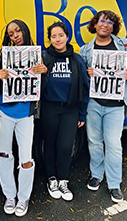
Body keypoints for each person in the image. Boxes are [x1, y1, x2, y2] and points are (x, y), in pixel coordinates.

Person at [79, 10, 127, 203]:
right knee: (94, 142)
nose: (105, 24)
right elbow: (81, 78)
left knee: (114, 145)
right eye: (102, 21)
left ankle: (114, 184)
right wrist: (87, 74)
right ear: (95, 25)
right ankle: (97, 175)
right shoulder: (86, 50)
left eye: (109, 22)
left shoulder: (123, 44)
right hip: (94, 104)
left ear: (113, 27)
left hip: (116, 105)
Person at [0, 19, 47, 217]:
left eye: (18, 31)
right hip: (4, 112)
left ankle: (23, 198)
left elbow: (44, 87)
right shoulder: (4, 55)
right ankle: (10, 195)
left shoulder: (39, 55)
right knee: (3, 155)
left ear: (25, 31)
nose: (15, 35)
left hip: (26, 115)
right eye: (10, 33)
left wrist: (45, 72)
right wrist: (0, 76)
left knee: (26, 159)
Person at [40, 21, 89, 202]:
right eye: (54, 36)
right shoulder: (44, 58)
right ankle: (51, 179)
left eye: (61, 35)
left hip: (70, 109)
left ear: (67, 37)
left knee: (66, 146)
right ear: (50, 39)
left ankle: (63, 179)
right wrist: (41, 73)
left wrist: (82, 113)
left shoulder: (77, 60)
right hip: (49, 108)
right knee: (50, 145)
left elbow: (85, 87)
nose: (58, 39)